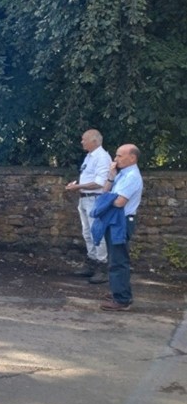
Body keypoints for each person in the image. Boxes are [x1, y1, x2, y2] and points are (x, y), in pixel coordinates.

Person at [96, 144, 143, 311]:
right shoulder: (122, 174)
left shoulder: (132, 176)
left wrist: (105, 201)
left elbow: (119, 202)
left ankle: (122, 299)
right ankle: (119, 291)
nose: (115, 160)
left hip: (121, 221)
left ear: (132, 158)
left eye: (119, 156)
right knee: (115, 258)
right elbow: (104, 192)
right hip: (116, 220)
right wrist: (110, 176)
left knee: (118, 260)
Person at [65, 129, 112, 284]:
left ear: (94, 141)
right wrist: (78, 186)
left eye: (84, 139)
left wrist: (78, 187)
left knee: (96, 233)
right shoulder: (89, 157)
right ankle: (92, 262)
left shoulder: (102, 157)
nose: (82, 141)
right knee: (87, 233)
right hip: (85, 198)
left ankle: (102, 266)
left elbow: (100, 183)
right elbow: (90, 178)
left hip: (95, 199)